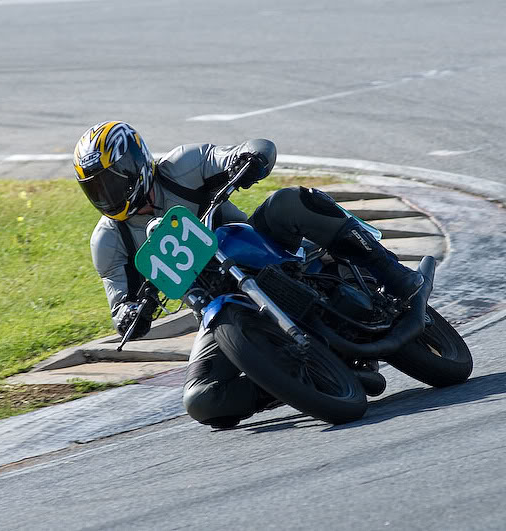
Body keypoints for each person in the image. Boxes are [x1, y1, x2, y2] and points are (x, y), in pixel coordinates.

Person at [73, 120, 424, 428]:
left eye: (111, 182)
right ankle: (290, 381)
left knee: (290, 200)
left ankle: (392, 273)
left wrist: (249, 159)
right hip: (219, 305)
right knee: (202, 400)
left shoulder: (181, 165)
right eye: (95, 189)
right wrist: (129, 314)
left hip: (263, 249)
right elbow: (118, 300)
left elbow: (241, 152)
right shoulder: (107, 240)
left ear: (134, 164)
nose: (106, 195)